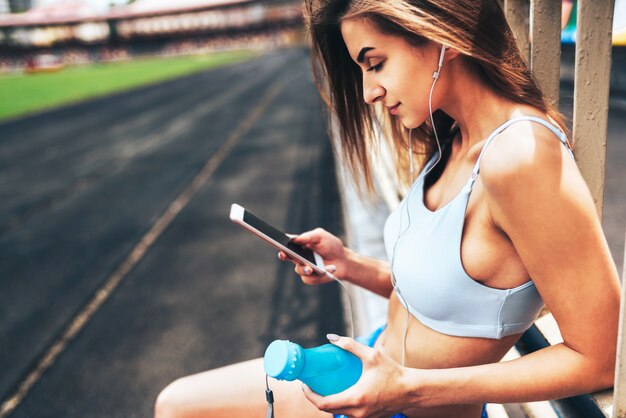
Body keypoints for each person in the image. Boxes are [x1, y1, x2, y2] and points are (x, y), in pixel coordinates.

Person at [154, 1, 621, 417]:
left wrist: (410, 390)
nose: (367, 92)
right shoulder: (450, 136)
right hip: (368, 372)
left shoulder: (521, 156)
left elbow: (598, 358)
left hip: (401, 401)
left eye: (374, 63)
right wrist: (349, 265)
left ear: (442, 34)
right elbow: (443, 302)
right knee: (175, 403)